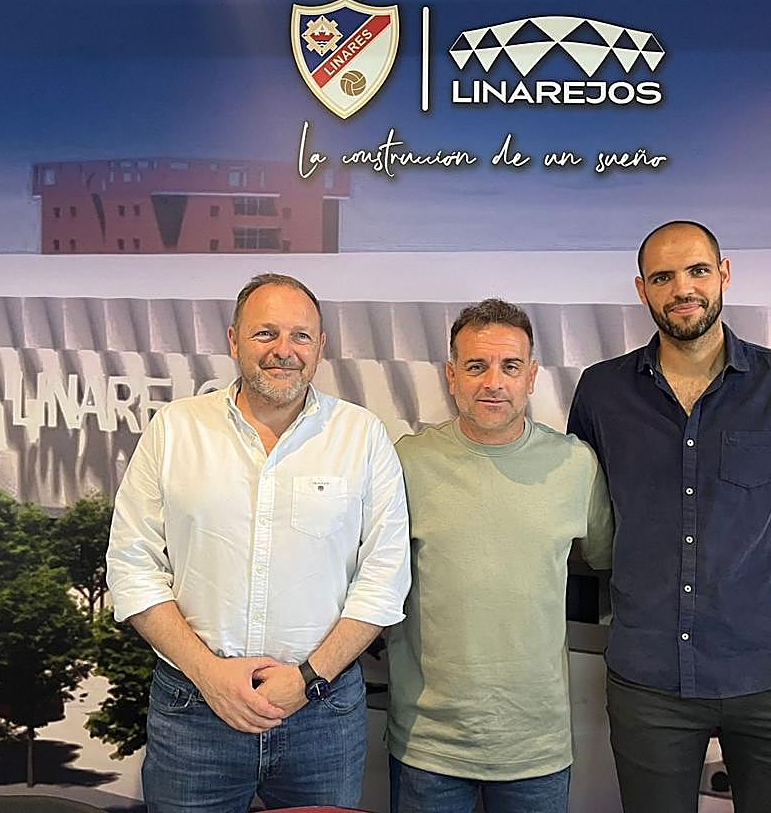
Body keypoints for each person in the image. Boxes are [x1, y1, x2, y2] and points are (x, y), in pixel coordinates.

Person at [568, 221, 771, 813]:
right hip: (649, 683)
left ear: (724, 274)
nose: (683, 288)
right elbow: (580, 515)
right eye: (663, 277)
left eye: (698, 271)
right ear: (642, 289)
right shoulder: (602, 392)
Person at [105, 273, 412, 813]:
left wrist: (308, 678)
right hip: (194, 708)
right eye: (265, 333)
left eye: (301, 336)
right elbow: (132, 567)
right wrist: (209, 675)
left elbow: (385, 577)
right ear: (233, 340)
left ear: (320, 346)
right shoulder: (175, 429)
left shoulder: (361, 436)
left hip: (321, 711)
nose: (283, 350)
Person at [385, 299, 614, 813]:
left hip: (535, 745)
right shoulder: (405, 462)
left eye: (510, 366)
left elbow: (608, 560)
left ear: (531, 376)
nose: (493, 382)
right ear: (451, 376)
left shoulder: (574, 465)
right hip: (428, 744)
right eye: (476, 366)